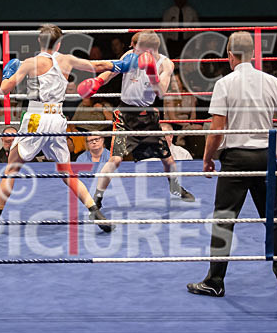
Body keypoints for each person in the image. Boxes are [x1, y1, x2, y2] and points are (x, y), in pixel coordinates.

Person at [0, 24, 129, 235]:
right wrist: (123, 64)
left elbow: (4, 89)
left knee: (12, 169)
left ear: (39, 41)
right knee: (67, 173)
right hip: (57, 119)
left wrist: (8, 73)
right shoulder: (67, 60)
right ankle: (95, 212)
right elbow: (99, 65)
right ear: (60, 43)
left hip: (36, 119)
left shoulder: (30, 63)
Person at [187, 31, 277, 297]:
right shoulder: (271, 82)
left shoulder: (224, 84)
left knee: (223, 220)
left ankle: (215, 282)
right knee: (273, 218)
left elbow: (216, 131)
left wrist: (207, 159)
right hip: (265, 157)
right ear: (253, 54)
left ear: (230, 56)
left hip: (235, 160)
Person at [83, 30, 196, 208]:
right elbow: (110, 71)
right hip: (125, 115)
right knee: (116, 159)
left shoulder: (165, 64)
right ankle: (97, 198)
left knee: (167, 159)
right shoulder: (130, 55)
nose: (134, 53)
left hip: (148, 116)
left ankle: (175, 187)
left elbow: (161, 91)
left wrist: (151, 73)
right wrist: (97, 82)